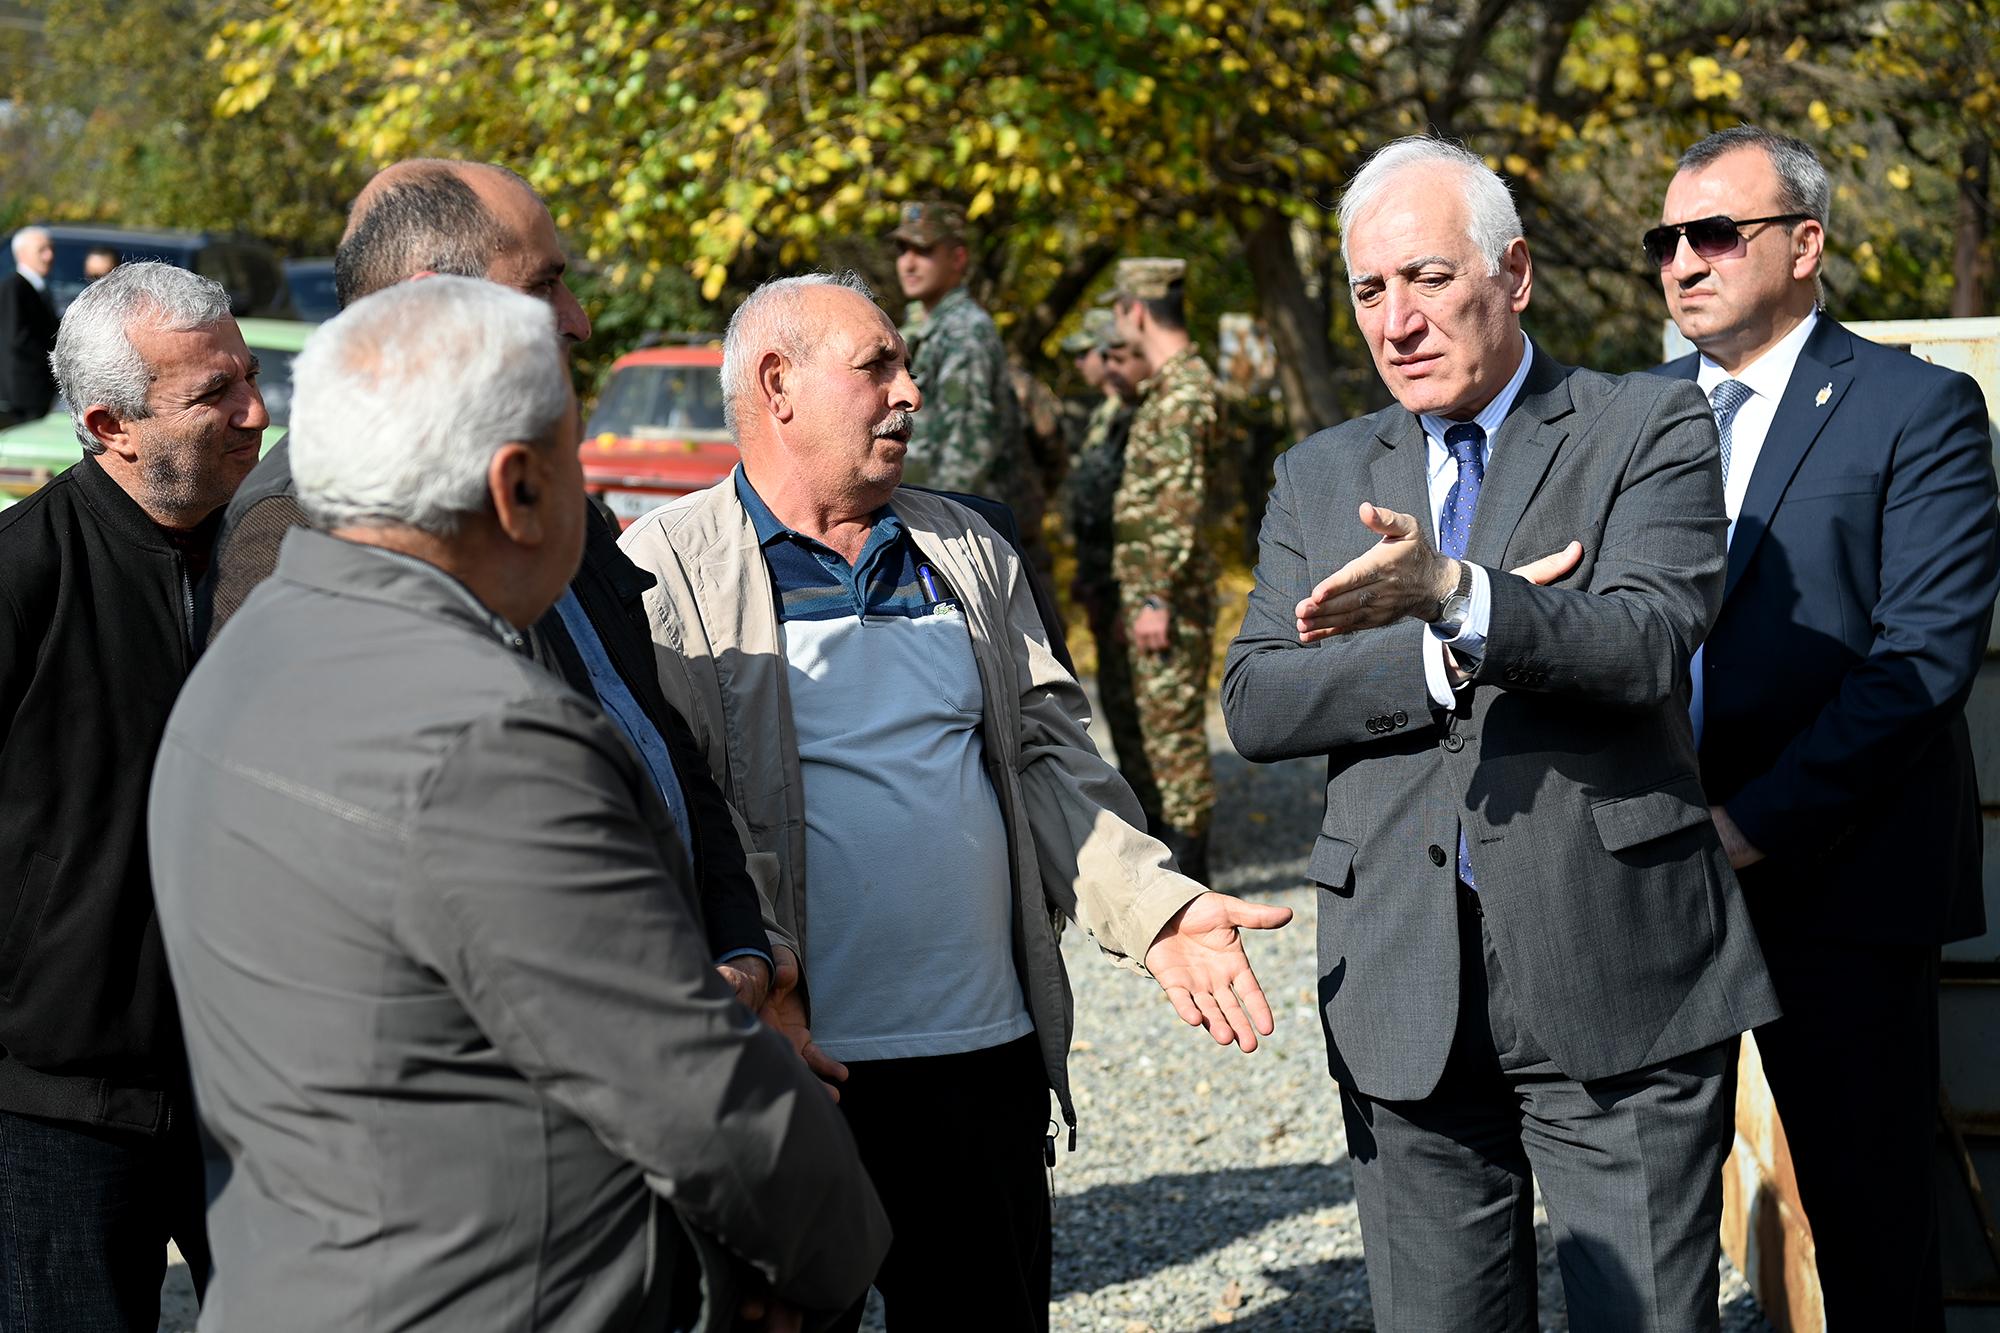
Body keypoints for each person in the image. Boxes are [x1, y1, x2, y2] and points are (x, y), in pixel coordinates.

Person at [149, 276, 888, 1331]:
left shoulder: (251, 653)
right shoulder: (484, 731)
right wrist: (834, 1253)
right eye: (573, 457)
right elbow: (696, 1096)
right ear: (516, 489)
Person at [619, 272, 1293, 1332]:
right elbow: (671, 816)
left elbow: (1046, 761)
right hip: (798, 1068)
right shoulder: (662, 572)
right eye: (876, 365)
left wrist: (1156, 909)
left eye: (907, 364)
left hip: (983, 1064)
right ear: (776, 384)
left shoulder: (967, 549)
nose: (912, 392)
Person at [1221, 136, 1779, 1331]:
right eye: (1369, 291)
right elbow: (1256, 700)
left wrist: (1463, 596)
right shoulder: (1321, 475)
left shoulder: (1645, 423)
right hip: (1400, 989)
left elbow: (1641, 640)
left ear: (1512, 275)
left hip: (1615, 977)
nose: (1395, 321)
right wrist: (1426, 651)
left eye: (1426, 278)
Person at [204, 159, 784, 1036]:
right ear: (441, 303)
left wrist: (745, 949)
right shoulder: (302, 524)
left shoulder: (556, 490)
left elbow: (656, 736)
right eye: (545, 284)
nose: (579, 322)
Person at [1650, 126, 1998, 1328]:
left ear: (1804, 244)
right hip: (1645, 876)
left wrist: (1748, 826)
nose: (1681, 262)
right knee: (1641, 1226)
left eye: (1712, 233)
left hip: (1839, 881)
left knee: (1867, 1228)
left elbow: (1920, 660)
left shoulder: (1916, 408)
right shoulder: (1624, 416)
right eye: (1664, 240)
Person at [0, 262, 268, 1330]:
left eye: (250, 377)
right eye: (215, 394)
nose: (256, 411)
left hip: (261, 1090)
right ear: (111, 422)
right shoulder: (25, 576)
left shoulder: (286, 558)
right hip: (60, 1113)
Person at [1108, 257, 1222, 879]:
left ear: (1136, 311)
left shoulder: (1183, 393)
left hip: (1168, 595)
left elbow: (1179, 502)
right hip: (1158, 590)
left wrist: (1154, 597)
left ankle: (1195, 879)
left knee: (1174, 740)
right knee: (1162, 732)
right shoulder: (1175, 387)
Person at [1061, 307, 1159, 827]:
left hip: (1136, 584)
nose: (1093, 364)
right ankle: (1145, 818)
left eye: (1101, 353)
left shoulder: (1147, 416)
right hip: (1105, 583)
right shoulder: (1106, 415)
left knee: (1153, 723)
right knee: (1122, 713)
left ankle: (1173, 834)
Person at [890, 201, 1038, 522]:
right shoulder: (916, 327)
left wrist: (938, 530)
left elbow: (967, 458)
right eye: (903, 250)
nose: (908, 264)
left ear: (957, 258)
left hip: (960, 524)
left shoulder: (966, 332)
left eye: (923, 250)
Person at [0, 226, 58, 427]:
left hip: (37, 393)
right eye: (41, 250)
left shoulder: (39, 288)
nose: (49, 255)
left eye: (51, 249)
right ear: (22, 254)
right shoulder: (15, 288)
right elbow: (17, 340)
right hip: (22, 396)